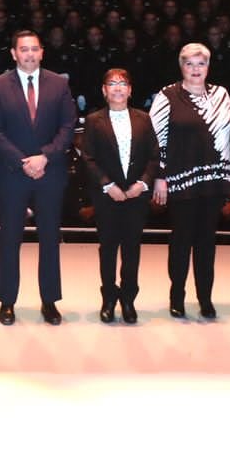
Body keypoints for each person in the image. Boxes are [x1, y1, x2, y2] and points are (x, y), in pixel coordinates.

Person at [0, 29, 77, 326]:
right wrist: (22, 161)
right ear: (14, 53)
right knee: (9, 240)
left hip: (50, 172)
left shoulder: (59, 84)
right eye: (23, 49)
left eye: (34, 49)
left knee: (50, 239)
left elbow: (68, 126)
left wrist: (45, 156)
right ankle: (7, 301)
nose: (29, 54)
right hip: (13, 173)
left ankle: (49, 301)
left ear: (42, 52)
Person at [150, 42, 230, 320]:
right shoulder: (167, 95)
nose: (195, 69)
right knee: (181, 240)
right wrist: (160, 176)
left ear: (208, 67)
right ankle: (177, 296)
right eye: (189, 64)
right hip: (181, 180)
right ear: (181, 67)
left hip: (214, 180)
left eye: (201, 63)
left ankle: (205, 298)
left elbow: (228, 137)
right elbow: (155, 140)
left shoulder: (221, 94)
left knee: (207, 242)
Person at [77, 68, 157, 324]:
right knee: (108, 248)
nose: (118, 88)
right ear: (104, 90)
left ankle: (128, 299)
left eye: (123, 83)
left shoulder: (144, 119)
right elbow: (88, 158)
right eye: (112, 83)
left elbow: (154, 156)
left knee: (132, 248)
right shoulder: (94, 120)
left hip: (136, 195)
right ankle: (109, 298)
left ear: (130, 90)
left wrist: (142, 184)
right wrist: (107, 185)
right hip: (106, 196)